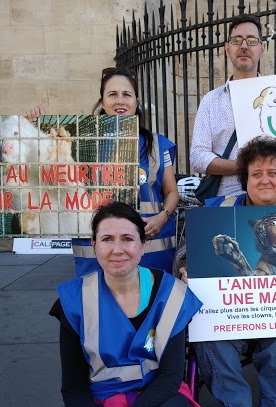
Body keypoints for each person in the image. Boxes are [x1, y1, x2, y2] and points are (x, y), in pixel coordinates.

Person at [25, 202, 219, 407]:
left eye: (128, 239)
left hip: (158, 396)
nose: (118, 249)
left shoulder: (171, 294)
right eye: (107, 239)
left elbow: (169, 378)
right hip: (98, 401)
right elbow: (73, 388)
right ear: (94, 245)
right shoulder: (75, 299)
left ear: (143, 245)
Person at [176, 136, 276, 407]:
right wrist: (183, 270)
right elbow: (183, 254)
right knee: (208, 332)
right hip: (231, 310)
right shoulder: (215, 210)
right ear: (244, 180)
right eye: (257, 173)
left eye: (273, 173)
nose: (265, 179)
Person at [25, 67, 180, 275]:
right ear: (102, 102)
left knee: (151, 303)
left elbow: (171, 192)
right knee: (100, 304)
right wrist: (32, 130)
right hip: (97, 251)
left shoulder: (157, 145)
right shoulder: (78, 144)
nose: (120, 101)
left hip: (151, 249)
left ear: (136, 100)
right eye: (112, 94)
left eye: (127, 94)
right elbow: (43, 174)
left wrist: (163, 216)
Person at [189, 14, 276, 203]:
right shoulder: (211, 101)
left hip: (271, 202)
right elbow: (198, 157)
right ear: (227, 49)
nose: (243, 46)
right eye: (236, 40)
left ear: (262, 49)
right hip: (225, 204)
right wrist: (244, 166)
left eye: (251, 40)